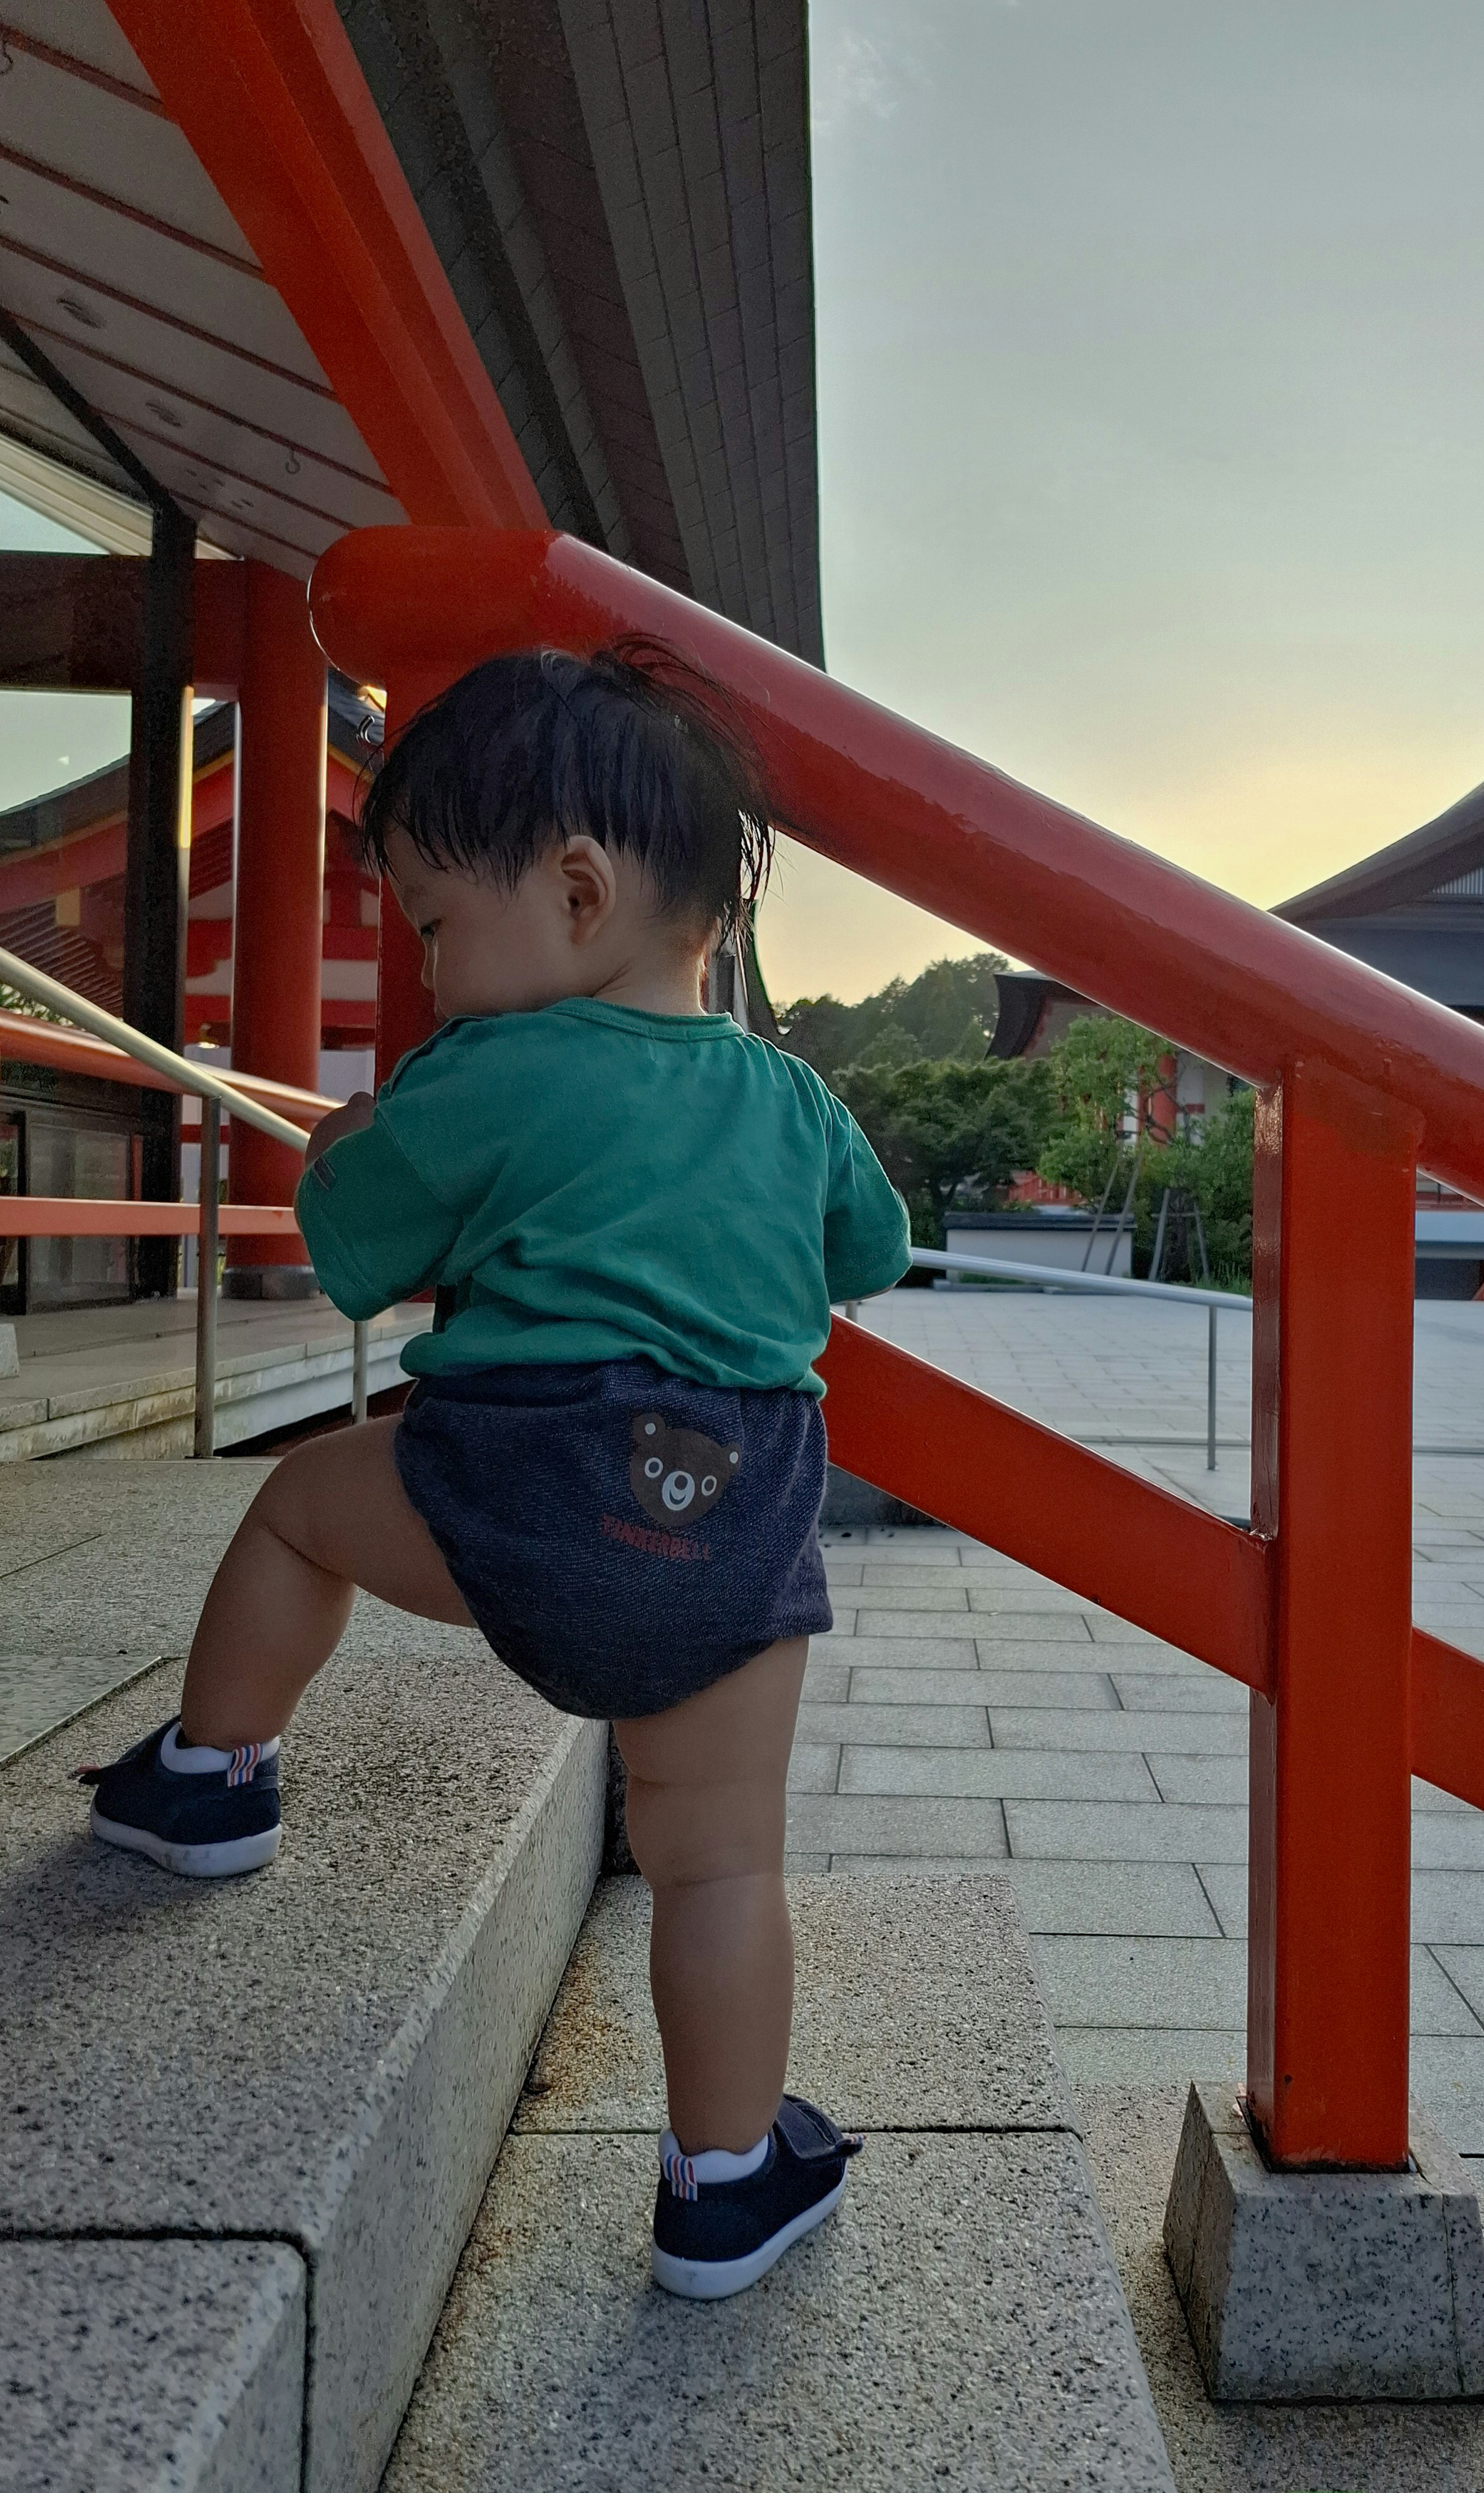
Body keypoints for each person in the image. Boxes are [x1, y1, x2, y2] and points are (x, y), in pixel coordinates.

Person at [79, 644, 911, 2300]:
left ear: (579, 891)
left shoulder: (485, 1073)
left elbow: (354, 1250)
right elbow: (868, 1251)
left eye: (439, 926)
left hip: (514, 1509)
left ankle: (212, 1778)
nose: (434, 970)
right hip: (733, 1533)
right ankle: (726, 2183)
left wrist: (347, 1147)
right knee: (723, 1861)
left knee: (300, 1510)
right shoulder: (796, 1098)